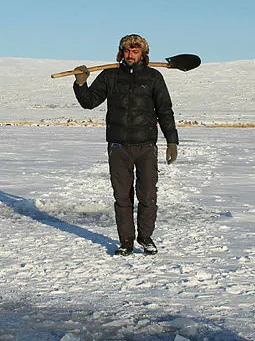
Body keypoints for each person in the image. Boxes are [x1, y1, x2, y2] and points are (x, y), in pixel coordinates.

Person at [72, 34, 179, 256]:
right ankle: (126, 241)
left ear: (143, 54)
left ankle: (146, 237)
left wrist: (172, 141)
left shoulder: (153, 77)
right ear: (121, 53)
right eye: (127, 51)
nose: (130, 55)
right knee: (122, 196)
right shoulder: (110, 76)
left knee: (148, 194)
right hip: (118, 145)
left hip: (146, 145)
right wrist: (81, 84)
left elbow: (165, 111)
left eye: (135, 52)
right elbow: (90, 102)